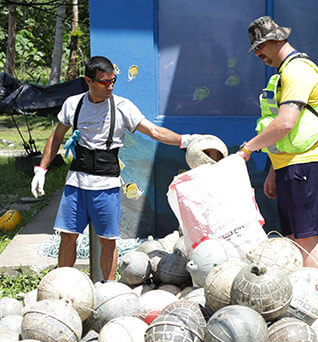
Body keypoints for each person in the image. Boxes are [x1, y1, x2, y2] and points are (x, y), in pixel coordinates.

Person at [31, 56, 199, 280]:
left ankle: (108, 289)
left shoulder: (122, 107)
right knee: (68, 237)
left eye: (113, 81)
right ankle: (63, 284)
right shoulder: (73, 104)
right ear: (88, 81)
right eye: (103, 82)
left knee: (108, 242)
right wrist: (41, 169)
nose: (109, 86)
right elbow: (56, 137)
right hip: (76, 183)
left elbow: (154, 131)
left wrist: (186, 140)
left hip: (106, 185)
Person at [236, 16, 318, 269]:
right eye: (255, 47)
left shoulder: (297, 70)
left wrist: (248, 148)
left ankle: (314, 296)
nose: (257, 52)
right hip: (290, 165)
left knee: (307, 237)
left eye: (261, 45)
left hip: (305, 164)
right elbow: (283, 132)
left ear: (278, 39)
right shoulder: (284, 72)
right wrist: (273, 170)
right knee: (294, 235)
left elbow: (285, 123)